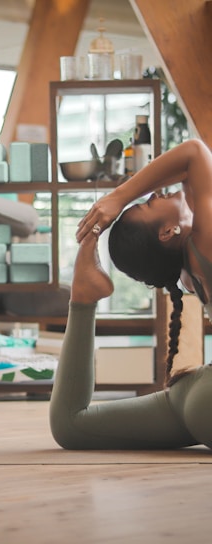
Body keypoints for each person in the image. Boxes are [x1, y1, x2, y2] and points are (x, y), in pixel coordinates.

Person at [50, 138, 212, 449]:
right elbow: (194, 152)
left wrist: (121, 201)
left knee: (72, 424)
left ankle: (83, 296)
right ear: (167, 232)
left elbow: (187, 171)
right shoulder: (204, 244)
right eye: (151, 203)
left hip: (197, 396)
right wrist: (117, 198)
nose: (157, 194)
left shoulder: (190, 272)